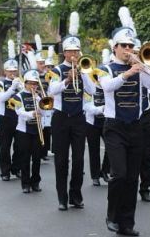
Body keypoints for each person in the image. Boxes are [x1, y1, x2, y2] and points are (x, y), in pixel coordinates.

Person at [99, 22, 150, 236]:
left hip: (136, 127)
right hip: (114, 127)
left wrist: (144, 67)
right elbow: (107, 86)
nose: (128, 50)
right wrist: (127, 73)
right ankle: (112, 215)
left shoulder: (139, 68)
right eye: (124, 46)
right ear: (115, 47)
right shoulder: (106, 68)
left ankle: (127, 223)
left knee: (132, 177)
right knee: (119, 174)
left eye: (130, 46)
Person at [49, 11, 96, 211]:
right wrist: (67, 80)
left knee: (78, 160)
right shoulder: (57, 70)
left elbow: (93, 91)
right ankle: (62, 197)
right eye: (70, 51)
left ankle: (75, 195)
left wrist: (83, 74)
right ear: (64, 53)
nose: (74, 54)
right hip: (60, 117)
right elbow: (51, 91)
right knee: (61, 160)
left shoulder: (85, 68)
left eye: (76, 51)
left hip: (78, 117)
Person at [83, 49, 111, 186]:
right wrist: (101, 109)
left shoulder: (109, 87)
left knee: (111, 147)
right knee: (94, 150)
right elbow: (87, 107)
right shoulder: (89, 88)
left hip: (107, 122)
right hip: (92, 123)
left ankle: (105, 171)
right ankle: (95, 175)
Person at [13, 70, 43, 193]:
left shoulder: (38, 96)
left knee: (37, 158)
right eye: (31, 83)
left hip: (37, 130)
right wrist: (32, 113)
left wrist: (38, 102)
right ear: (25, 83)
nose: (33, 86)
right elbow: (19, 112)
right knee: (25, 158)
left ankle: (35, 182)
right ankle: (25, 184)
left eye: (35, 84)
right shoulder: (18, 96)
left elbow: (45, 112)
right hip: (23, 131)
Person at [0, 40, 22, 181]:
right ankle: (5, 172)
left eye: (14, 71)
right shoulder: (0, 83)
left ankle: (16, 168)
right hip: (5, 118)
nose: (12, 73)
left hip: (18, 117)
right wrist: (12, 88)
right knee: (5, 146)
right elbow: (2, 98)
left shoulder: (20, 81)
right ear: (5, 71)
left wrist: (21, 87)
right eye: (10, 71)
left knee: (19, 146)